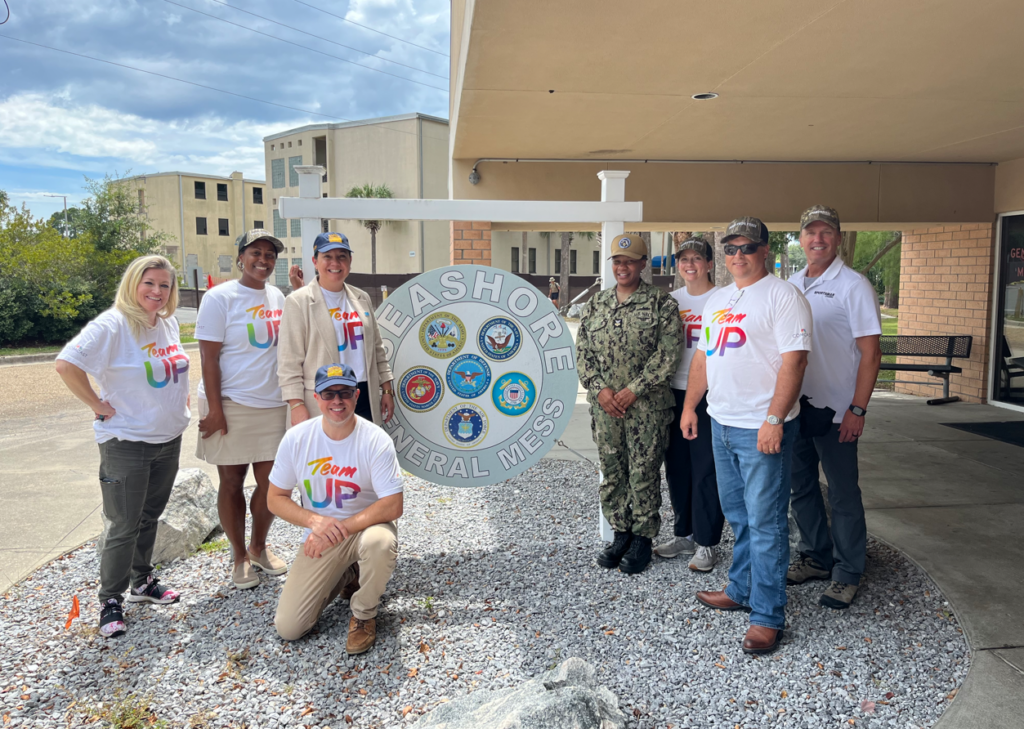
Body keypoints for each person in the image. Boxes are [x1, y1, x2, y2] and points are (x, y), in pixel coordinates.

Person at [680, 217, 812, 655]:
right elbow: (704, 357)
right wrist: (690, 407)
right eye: (731, 248)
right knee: (738, 515)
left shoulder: (783, 295)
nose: (738, 256)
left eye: (747, 248)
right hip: (720, 422)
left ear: (767, 252)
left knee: (767, 522)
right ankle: (739, 589)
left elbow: (794, 363)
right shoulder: (720, 297)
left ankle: (768, 616)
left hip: (761, 428)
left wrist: (774, 420)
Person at [55, 255, 189, 638]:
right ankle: (109, 599)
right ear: (133, 283)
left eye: (164, 285)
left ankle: (142, 582)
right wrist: (97, 404)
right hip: (127, 442)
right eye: (149, 283)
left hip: (168, 438)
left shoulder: (167, 323)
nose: (157, 292)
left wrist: (180, 402)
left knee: (150, 516)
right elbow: (66, 365)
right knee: (123, 524)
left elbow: (170, 369)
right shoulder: (112, 326)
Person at [268, 363, 403, 655]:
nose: (337, 401)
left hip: (365, 528)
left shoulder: (375, 440)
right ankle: (348, 572)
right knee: (289, 628)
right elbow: (275, 497)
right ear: (316, 398)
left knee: (380, 543)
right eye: (328, 394)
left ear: (356, 395)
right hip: (325, 535)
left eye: (344, 392)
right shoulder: (297, 438)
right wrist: (315, 522)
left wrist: (335, 529)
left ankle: (364, 614)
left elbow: (393, 505)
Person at [787, 206, 882, 609]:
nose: (818, 239)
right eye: (811, 232)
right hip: (795, 409)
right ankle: (816, 556)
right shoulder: (790, 284)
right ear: (801, 239)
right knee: (801, 487)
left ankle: (847, 571)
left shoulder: (853, 285)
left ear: (838, 238)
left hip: (837, 411)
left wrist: (857, 410)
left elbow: (871, 353)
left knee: (843, 493)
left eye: (826, 232)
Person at [576, 233, 682, 575]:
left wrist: (634, 389)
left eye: (630, 261)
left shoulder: (660, 304)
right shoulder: (596, 304)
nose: (623, 267)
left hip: (646, 407)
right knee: (613, 471)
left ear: (642, 264)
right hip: (606, 408)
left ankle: (643, 537)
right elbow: (583, 353)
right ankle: (621, 532)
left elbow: (668, 354)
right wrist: (600, 389)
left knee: (644, 472)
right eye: (617, 262)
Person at [195, 229, 290, 590]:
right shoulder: (220, 298)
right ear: (240, 256)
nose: (263, 260)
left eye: (270, 254)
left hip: (271, 405)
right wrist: (216, 409)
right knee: (232, 482)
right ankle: (238, 557)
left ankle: (258, 547)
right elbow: (208, 357)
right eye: (256, 252)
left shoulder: (278, 296)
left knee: (272, 486)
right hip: (230, 403)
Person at [654, 238, 725, 572]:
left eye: (697, 258)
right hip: (674, 393)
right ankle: (684, 533)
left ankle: (707, 542)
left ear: (709, 263)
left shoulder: (723, 299)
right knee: (678, 467)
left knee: (706, 469)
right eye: (684, 259)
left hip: (710, 395)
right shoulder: (671, 302)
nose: (690, 264)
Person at [278, 231, 395, 428]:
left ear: (350, 261)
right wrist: (296, 403)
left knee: (362, 454)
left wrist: (387, 390)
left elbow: (377, 350)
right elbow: (289, 360)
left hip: (363, 394)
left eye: (342, 256)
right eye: (327, 257)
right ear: (315, 261)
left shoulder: (362, 298)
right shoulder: (298, 302)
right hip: (326, 396)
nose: (335, 263)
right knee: (327, 456)